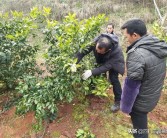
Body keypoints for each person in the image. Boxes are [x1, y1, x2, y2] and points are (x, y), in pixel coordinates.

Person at [120, 19, 167, 138]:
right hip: (152, 96)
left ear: (135, 35)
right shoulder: (155, 45)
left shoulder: (137, 53)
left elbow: (131, 85)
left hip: (140, 102)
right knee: (141, 125)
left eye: (127, 37)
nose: (126, 40)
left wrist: (125, 107)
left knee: (140, 132)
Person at [76, 30, 125, 112]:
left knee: (113, 79)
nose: (97, 52)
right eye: (96, 49)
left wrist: (91, 72)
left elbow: (107, 66)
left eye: (100, 52)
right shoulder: (96, 42)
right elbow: (83, 51)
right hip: (103, 59)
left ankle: (118, 101)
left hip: (115, 63)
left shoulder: (116, 52)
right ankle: (96, 91)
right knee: (98, 73)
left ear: (107, 50)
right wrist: (74, 62)